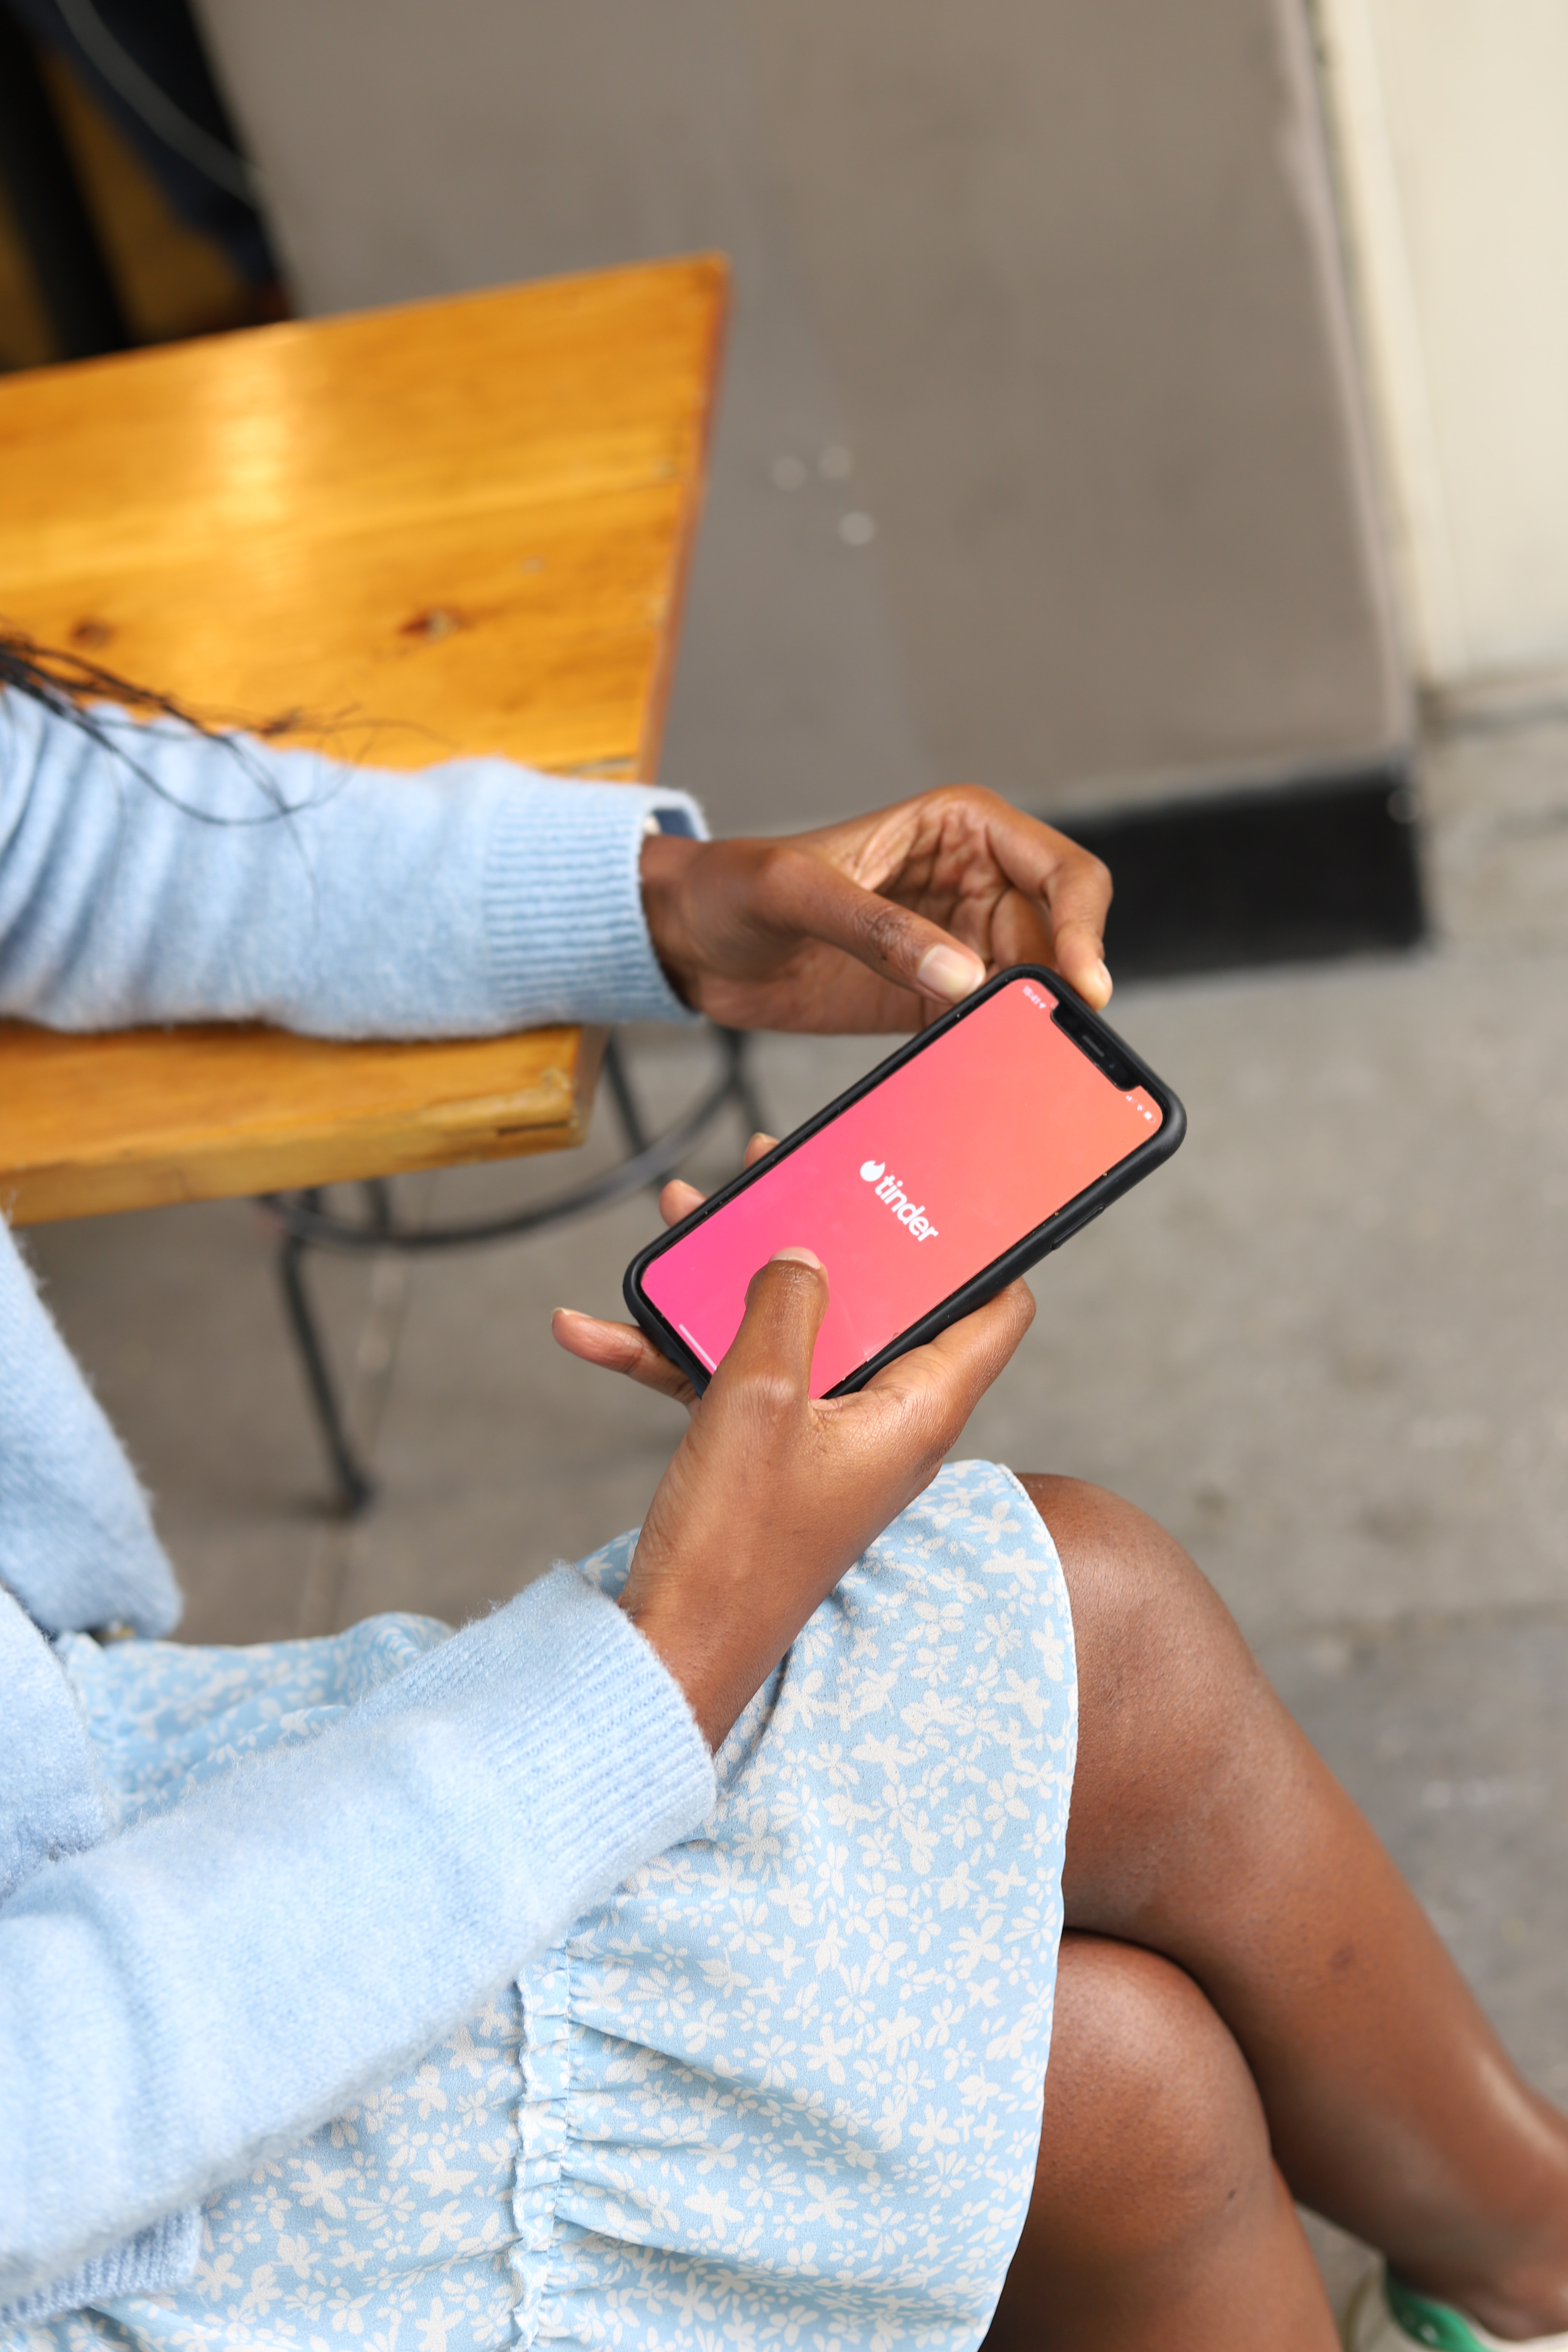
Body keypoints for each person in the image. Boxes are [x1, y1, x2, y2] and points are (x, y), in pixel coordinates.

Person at [2, 644, 1567, 2352]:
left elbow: (55, 835)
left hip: (72, 1776)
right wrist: (667, 1660)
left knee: (1090, 1809)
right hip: (78, 2158)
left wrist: (672, 903)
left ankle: (1531, 2270)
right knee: (1108, 2078)